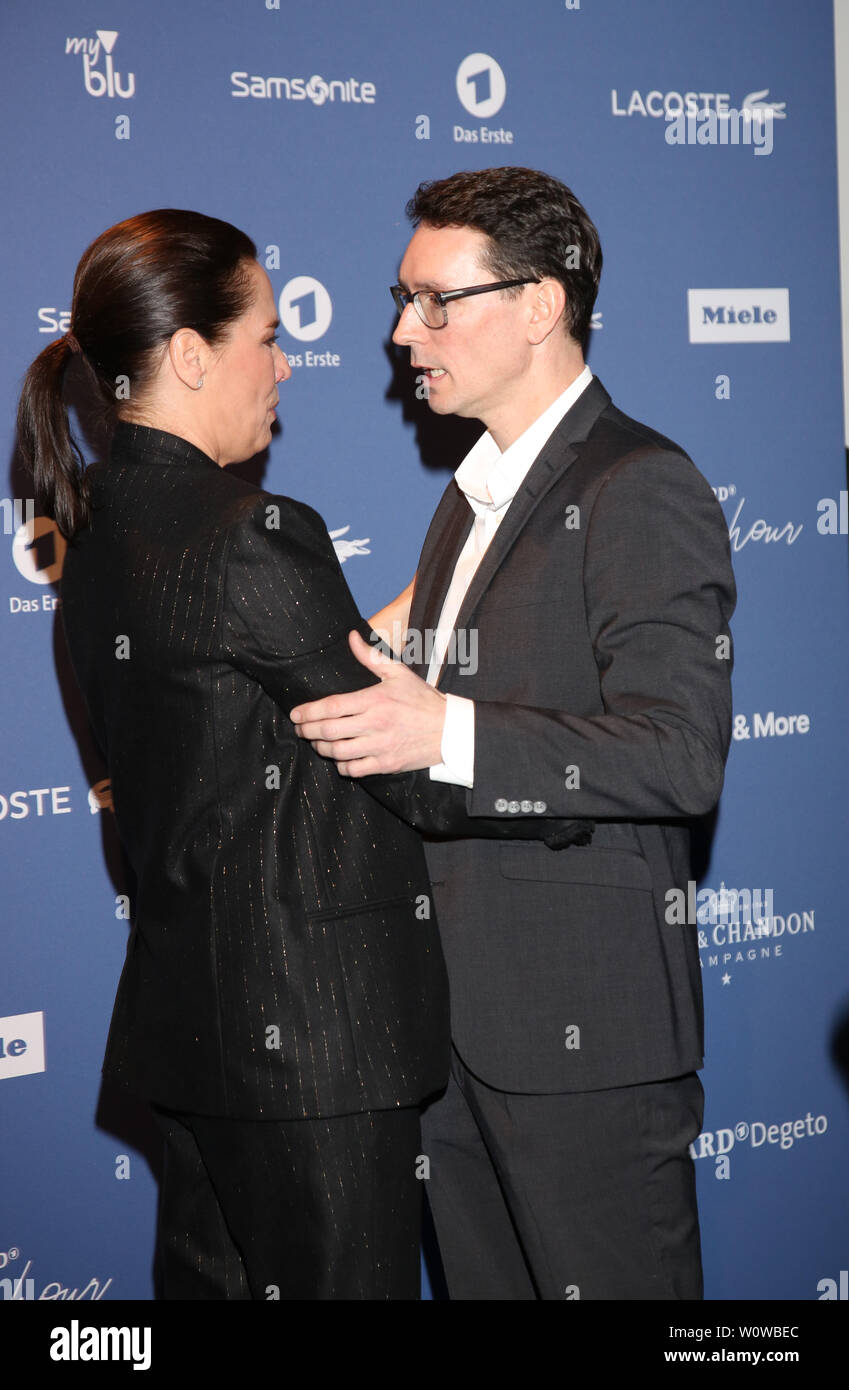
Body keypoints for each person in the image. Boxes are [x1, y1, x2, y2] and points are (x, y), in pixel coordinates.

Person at [290, 167, 737, 1300]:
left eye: (437, 300)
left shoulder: (642, 482)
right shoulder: (470, 496)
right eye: (403, 299)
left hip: (588, 1047)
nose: (402, 331)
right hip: (452, 1039)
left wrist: (449, 727)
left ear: (540, 305)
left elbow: (679, 751)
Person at [15, 208, 457, 1300]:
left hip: (194, 1035)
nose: (287, 361)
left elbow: (299, 677)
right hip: (316, 1048)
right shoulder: (250, 533)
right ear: (188, 354)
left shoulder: (103, 533)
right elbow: (403, 756)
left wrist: (444, 595)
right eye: (266, 334)